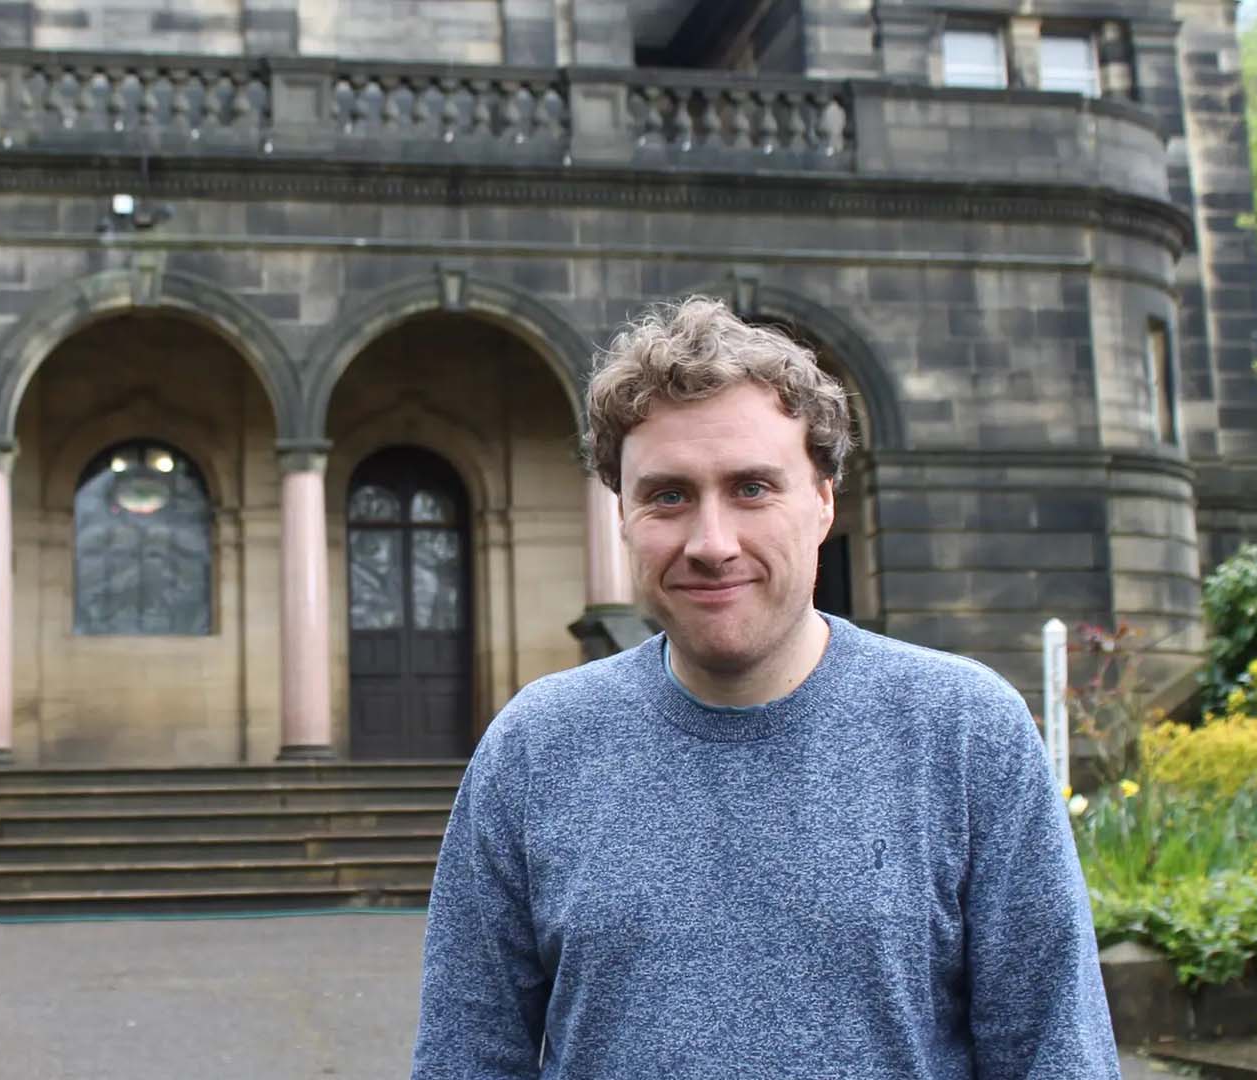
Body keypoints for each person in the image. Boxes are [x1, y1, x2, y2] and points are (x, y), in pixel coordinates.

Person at [411, 297, 1118, 1079]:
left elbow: (1055, 1055)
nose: (712, 544)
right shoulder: (536, 748)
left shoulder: (964, 731)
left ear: (823, 502)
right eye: (668, 495)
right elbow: (465, 1059)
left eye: (752, 488)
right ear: (624, 515)